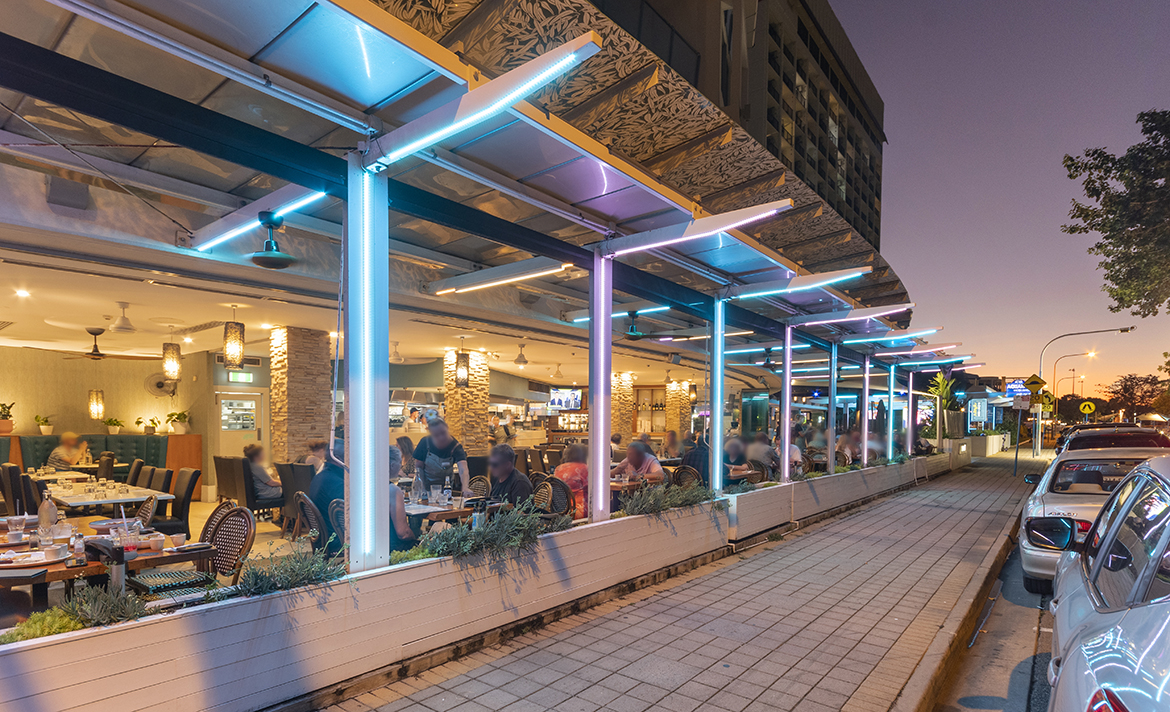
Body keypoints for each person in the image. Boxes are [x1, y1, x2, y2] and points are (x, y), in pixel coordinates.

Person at [412, 418, 471, 496]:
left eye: (443, 433)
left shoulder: (455, 446)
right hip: (426, 489)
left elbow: (463, 469)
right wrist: (422, 488)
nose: (441, 437)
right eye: (436, 435)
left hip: (446, 489)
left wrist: (465, 488)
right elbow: (419, 467)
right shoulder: (425, 443)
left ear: (447, 429)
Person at [553, 443, 589, 519]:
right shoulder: (584, 468)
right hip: (578, 510)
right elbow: (595, 486)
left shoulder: (558, 468)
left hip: (560, 510)